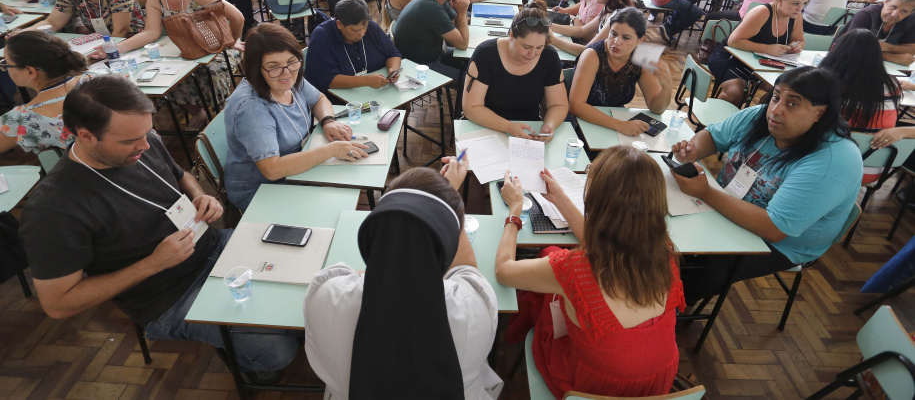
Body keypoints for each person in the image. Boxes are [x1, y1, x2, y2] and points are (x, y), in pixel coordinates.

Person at [18, 76, 298, 382]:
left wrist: (199, 195)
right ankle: (238, 356)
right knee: (275, 352)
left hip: (212, 245)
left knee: (300, 278)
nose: (145, 145)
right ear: (85, 136)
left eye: (148, 131)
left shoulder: (143, 141)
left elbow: (181, 176)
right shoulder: (54, 208)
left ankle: (244, 332)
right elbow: (58, 304)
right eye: (129, 141)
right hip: (167, 296)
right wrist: (152, 263)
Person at [496, 146, 685, 398]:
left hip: (592, 389)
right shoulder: (664, 251)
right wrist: (560, 198)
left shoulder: (574, 269)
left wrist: (515, 211)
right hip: (657, 386)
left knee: (550, 255)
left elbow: (503, 271)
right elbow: (605, 247)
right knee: (554, 261)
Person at [304, 163, 502, 398]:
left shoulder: (326, 295)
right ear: (450, 238)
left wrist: (443, 203)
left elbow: (366, 275)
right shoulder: (476, 305)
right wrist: (448, 198)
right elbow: (466, 269)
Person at [670, 67, 862, 305]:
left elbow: (774, 228)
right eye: (776, 97)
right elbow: (713, 135)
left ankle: (669, 309)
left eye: (792, 104)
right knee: (663, 220)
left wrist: (706, 192)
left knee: (711, 268)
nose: (776, 110)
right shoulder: (761, 115)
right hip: (724, 202)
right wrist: (693, 151)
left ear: (820, 114)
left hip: (779, 243)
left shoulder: (833, 160)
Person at [225, 24, 368, 210]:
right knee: (338, 202)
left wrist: (328, 121)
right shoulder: (251, 108)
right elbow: (272, 169)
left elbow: (319, 99)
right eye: (273, 67)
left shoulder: (290, 77)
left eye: (292, 61)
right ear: (255, 68)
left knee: (350, 178)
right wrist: (331, 150)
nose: (286, 73)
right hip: (262, 191)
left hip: (296, 168)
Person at [111, 0, 243, 124]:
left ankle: (221, 116)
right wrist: (116, 49)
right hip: (182, 50)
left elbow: (237, 17)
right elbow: (151, 32)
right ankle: (198, 113)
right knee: (164, 79)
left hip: (213, 47)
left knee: (211, 72)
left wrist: (231, 41)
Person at [463, 0, 568, 141]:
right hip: (484, 126)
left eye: (539, 47)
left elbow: (559, 104)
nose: (533, 54)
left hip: (528, 131)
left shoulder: (549, 57)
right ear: (511, 35)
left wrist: (550, 124)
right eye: (526, 47)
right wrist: (509, 127)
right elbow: (471, 107)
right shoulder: (486, 54)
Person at [569, 7, 673, 135]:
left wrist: (667, 87)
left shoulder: (642, 57)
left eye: (626, 38)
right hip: (584, 123)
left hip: (616, 122)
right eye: (613, 34)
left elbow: (656, 108)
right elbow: (576, 106)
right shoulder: (592, 55)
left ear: (640, 40)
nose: (617, 42)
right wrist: (620, 125)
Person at [708, 0, 810, 106]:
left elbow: (800, 40)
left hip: (760, 64)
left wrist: (796, 46)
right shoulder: (762, 12)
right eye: (795, 3)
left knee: (779, 93)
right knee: (737, 93)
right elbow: (733, 41)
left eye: (803, 4)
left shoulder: (796, 16)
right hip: (730, 58)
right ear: (780, 0)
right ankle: (715, 121)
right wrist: (767, 48)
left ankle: (759, 120)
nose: (800, 8)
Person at [820, 29, 902, 184]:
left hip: (831, 168)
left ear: (837, 51)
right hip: (873, 170)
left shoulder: (831, 84)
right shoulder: (893, 85)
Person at [0, 32, 88, 155]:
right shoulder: (99, 79)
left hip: (79, 172)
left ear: (30, 71)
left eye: (6, 64)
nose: (5, 68)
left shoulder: (21, 118)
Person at [305, 0, 402, 93]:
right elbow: (328, 80)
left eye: (364, 27)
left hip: (370, 94)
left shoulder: (372, 28)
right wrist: (366, 81)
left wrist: (393, 70)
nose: (362, 34)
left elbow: (393, 54)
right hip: (335, 100)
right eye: (355, 30)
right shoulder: (322, 37)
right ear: (339, 24)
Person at [393, 0, 469, 79]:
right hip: (420, 67)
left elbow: (453, 37)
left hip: (434, 55)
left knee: (476, 63)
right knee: (471, 82)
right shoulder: (431, 7)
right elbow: (462, 43)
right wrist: (462, 11)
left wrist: (459, 14)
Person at [550, 0, 635, 57]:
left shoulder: (618, 18)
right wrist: (548, 25)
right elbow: (582, 30)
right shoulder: (608, 9)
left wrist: (553, 40)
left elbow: (588, 50)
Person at [835, 0, 915, 66]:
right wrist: (890, 56)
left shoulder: (910, 20)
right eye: (893, 7)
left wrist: (888, 47)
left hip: (878, 65)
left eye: (903, 11)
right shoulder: (866, 15)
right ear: (886, 1)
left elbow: (912, 49)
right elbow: (851, 47)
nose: (894, 14)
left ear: (911, 13)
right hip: (844, 60)